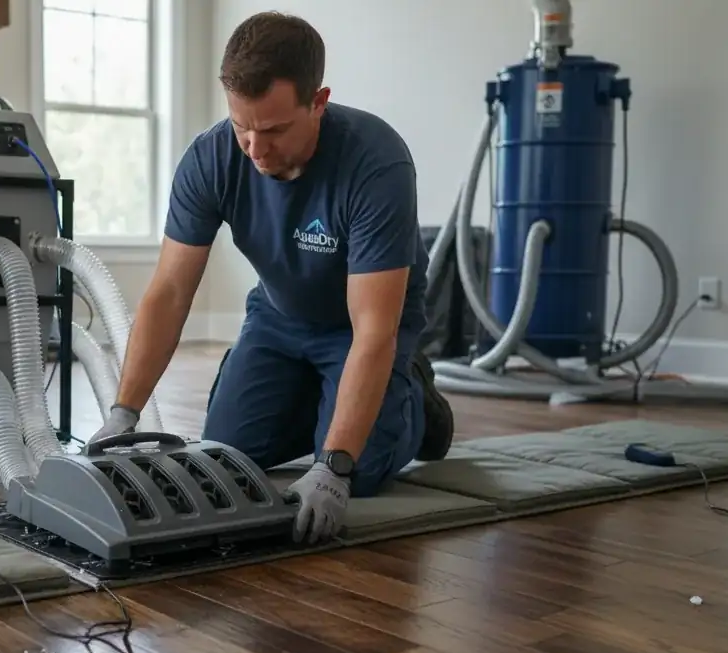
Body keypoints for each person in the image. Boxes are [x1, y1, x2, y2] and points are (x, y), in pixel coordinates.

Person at [87, 11, 454, 544]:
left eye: (275, 130)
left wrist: (334, 464)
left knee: (362, 471)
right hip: (278, 320)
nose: (255, 150)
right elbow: (169, 292)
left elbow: (375, 329)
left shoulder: (376, 162)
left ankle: (413, 397)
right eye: (242, 127)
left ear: (318, 102)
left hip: (360, 328)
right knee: (226, 459)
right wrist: (124, 414)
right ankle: (327, 399)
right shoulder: (211, 158)